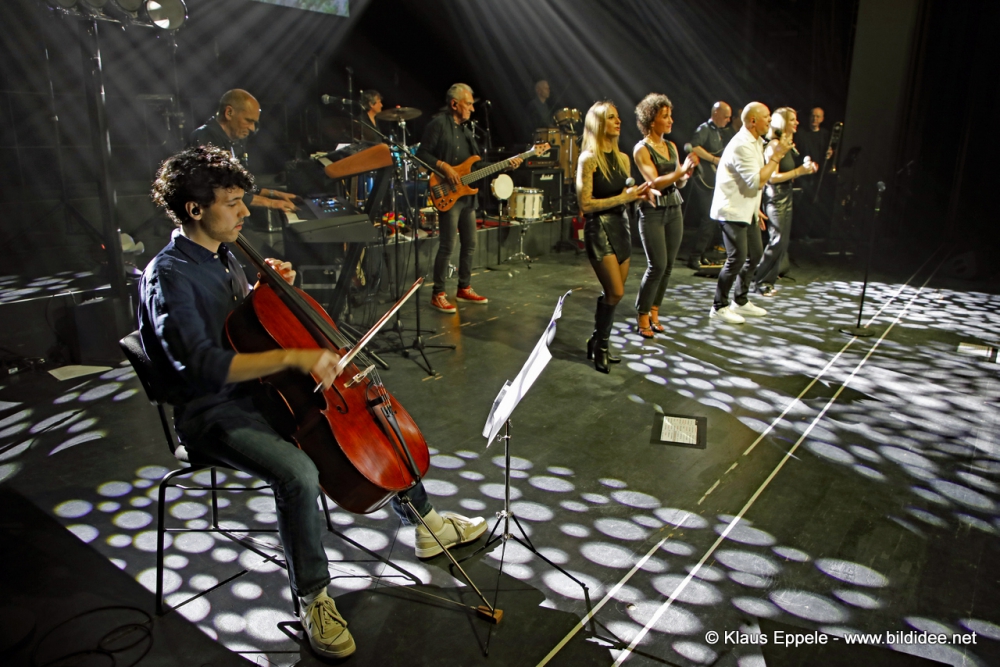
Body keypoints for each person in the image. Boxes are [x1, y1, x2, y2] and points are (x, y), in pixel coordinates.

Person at [141, 146, 487, 659]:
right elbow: (203, 366)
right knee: (298, 473)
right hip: (212, 413)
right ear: (195, 209)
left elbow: (241, 325)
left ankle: (428, 526)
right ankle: (313, 599)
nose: (244, 212)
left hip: (261, 392)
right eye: (232, 203)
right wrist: (296, 357)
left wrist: (265, 289)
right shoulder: (168, 276)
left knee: (367, 418)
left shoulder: (224, 252)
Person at [417, 83, 522, 314]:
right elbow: (421, 154)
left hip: (466, 196)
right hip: (447, 192)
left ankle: (464, 288)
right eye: (469, 104)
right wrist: (444, 167)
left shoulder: (467, 132)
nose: (472, 109)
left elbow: (477, 166)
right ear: (454, 104)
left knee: (470, 244)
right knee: (448, 245)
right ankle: (438, 293)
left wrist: (505, 165)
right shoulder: (438, 125)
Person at [577, 101, 654, 372]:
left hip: (621, 226)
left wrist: (639, 196)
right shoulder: (588, 159)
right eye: (611, 117)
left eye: (618, 117)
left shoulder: (622, 159)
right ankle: (601, 346)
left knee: (613, 294)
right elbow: (585, 204)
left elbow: (625, 196)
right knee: (616, 291)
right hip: (599, 229)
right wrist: (624, 198)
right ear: (598, 124)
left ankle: (597, 341)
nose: (618, 121)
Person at [709, 102, 793, 324]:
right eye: (766, 116)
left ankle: (740, 300)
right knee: (736, 259)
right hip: (731, 210)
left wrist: (756, 210)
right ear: (753, 121)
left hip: (747, 210)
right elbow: (757, 181)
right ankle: (719, 306)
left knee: (755, 254)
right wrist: (776, 157)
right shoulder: (741, 145)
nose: (770, 120)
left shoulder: (756, 141)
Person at [632, 94, 698, 338]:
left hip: (673, 207)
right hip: (653, 210)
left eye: (671, 115)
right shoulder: (641, 149)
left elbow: (677, 182)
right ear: (651, 121)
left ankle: (654, 311)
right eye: (665, 116)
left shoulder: (670, 146)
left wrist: (684, 175)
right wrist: (679, 172)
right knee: (657, 265)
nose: (671, 120)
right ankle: (642, 313)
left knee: (668, 265)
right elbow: (654, 182)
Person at [188, 89, 299, 213]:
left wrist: (273, 193)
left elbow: (239, 185)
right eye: (248, 120)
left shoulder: (234, 140)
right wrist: (270, 202)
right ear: (229, 113)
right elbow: (220, 191)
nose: (252, 128)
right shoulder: (206, 137)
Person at [752, 108, 818, 296]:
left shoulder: (786, 145)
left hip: (786, 195)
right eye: (792, 120)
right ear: (783, 123)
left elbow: (787, 173)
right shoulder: (774, 145)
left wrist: (805, 169)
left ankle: (768, 280)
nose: (797, 123)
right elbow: (772, 177)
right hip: (776, 197)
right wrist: (799, 171)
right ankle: (761, 282)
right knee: (777, 240)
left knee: (782, 241)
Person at [686, 102, 734, 269]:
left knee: (713, 218)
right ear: (716, 113)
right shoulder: (704, 129)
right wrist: (714, 160)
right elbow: (694, 146)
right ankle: (695, 256)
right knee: (708, 217)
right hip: (704, 179)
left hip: (714, 179)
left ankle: (702, 254)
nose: (728, 120)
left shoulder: (719, 132)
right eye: (726, 116)